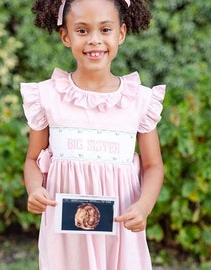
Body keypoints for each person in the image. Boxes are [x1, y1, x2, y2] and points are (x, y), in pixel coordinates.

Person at [20, 0, 166, 269]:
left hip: (120, 231)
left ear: (120, 33)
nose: (95, 40)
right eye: (82, 31)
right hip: (65, 237)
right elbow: (32, 160)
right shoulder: (48, 97)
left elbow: (153, 165)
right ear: (66, 35)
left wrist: (144, 206)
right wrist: (34, 189)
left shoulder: (139, 100)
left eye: (105, 30)